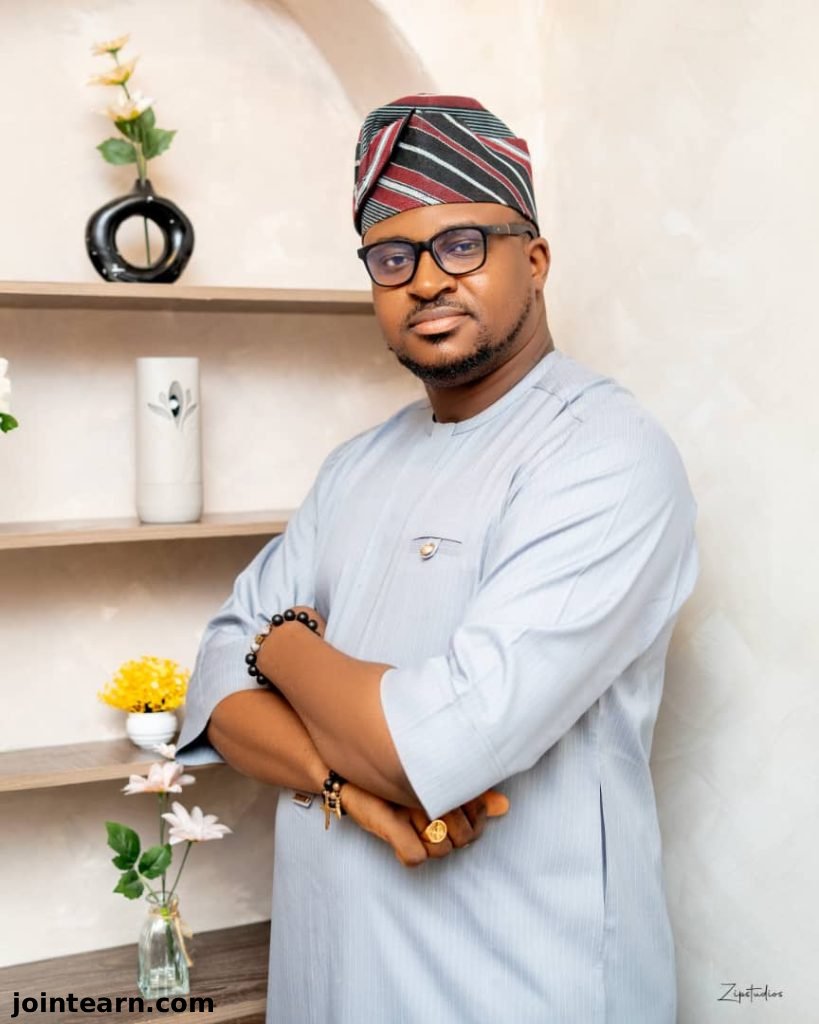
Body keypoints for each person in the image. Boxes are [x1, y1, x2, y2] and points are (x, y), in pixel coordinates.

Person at [176, 94, 699, 1023]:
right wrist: (344, 788)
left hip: (513, 987)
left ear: (533, 261)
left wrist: (284, 644)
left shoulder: (602, 455)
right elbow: (216, 685)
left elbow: (429, 749)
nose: (424, 281)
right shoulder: (356, 464)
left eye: (461, 245)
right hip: (328, 981)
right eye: (392, 258)